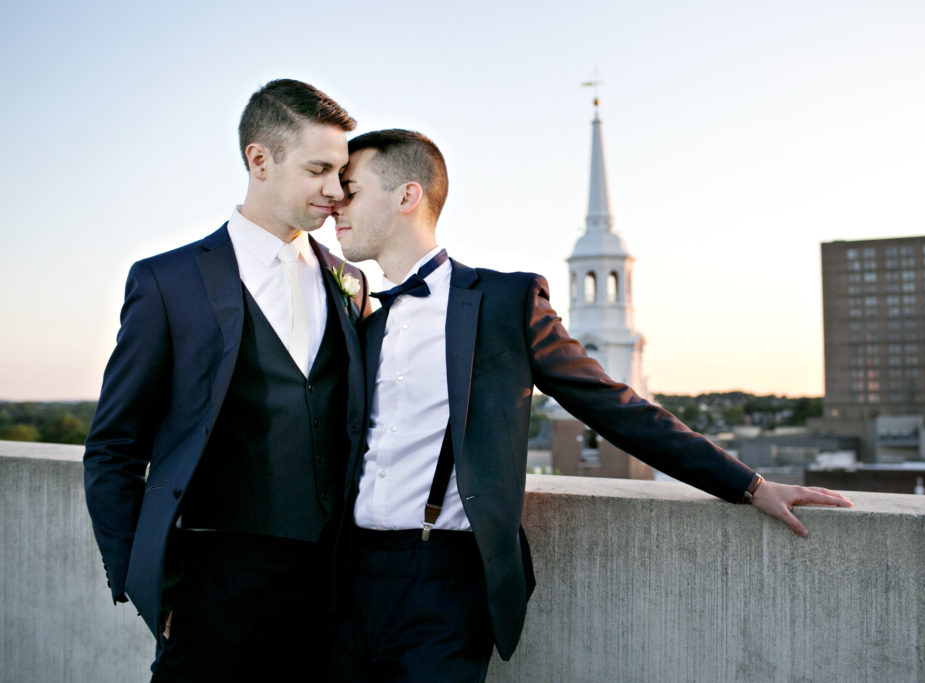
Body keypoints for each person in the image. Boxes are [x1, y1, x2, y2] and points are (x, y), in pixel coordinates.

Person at [328, 129, 853, 682]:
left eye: (351, 191)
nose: (336, 205)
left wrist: (747, 484)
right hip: (347, 578)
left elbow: (613, 406)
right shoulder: (364, 315)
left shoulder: (503, 302)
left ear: (407, 196)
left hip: (442, 579)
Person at [82, 79, 370, 682]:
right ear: (259, 160)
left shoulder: (349, 281)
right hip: (212, 595)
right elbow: (113, 447)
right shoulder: (169, 282)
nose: (335, 190)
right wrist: (152, 590)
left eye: (341, 172)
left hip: (334, 599)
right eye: (319, 168)